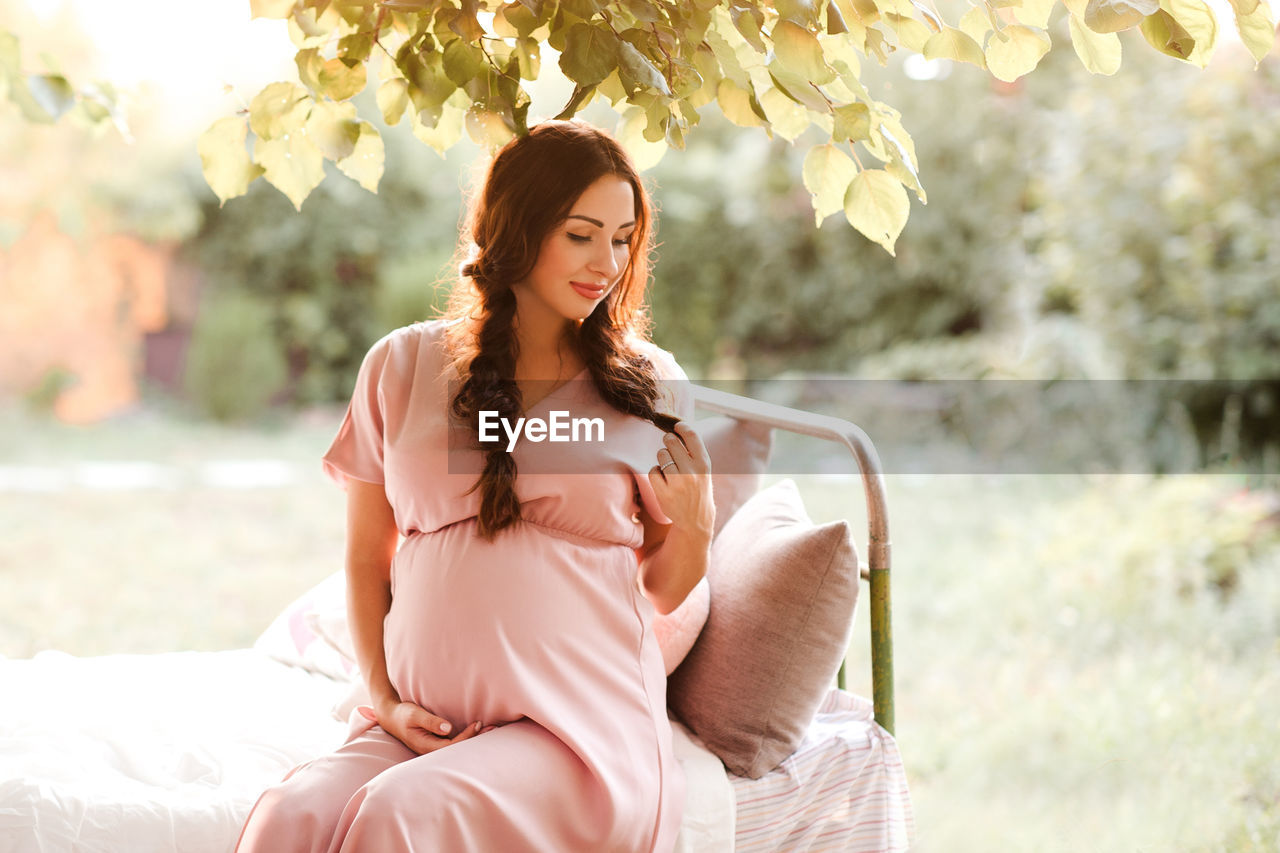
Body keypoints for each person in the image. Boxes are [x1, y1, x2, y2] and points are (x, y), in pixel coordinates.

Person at [234, 120, 714, 852]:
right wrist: (386, 700)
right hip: (426, 724)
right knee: (288, 817)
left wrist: (698, 526)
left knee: (399, 813)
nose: (607, 262)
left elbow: (662, 590)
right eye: (581, 234)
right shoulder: (399, 366)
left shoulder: (648, 385)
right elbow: (369, 555)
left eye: (622, 238)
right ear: (515, 230)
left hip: (577, 731)